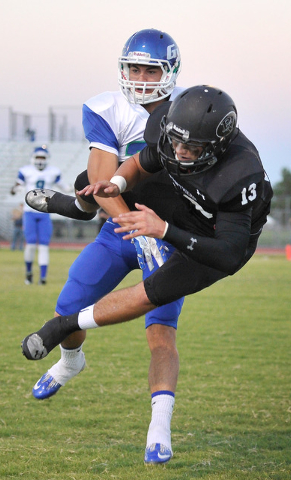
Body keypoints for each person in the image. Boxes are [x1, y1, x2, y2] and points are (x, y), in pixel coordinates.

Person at [21, 85, 274, 463]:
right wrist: (118, 185)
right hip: (151, 215)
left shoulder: (240, 175)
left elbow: (228, 253)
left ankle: (159, 429)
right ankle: (71, 356)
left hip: (202, 242)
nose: (180, 151)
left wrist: (165, 232)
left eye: (192, 148)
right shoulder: (170, 133)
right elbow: (141, 162)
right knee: (74, 287)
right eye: (175, 142)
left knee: (152, 309)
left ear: (218, 146)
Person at [26, 29, 184, 465]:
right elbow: (100, 184)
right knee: (68, 307)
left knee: (161, 334)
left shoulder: (189, 110)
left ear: (169, 70)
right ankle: (71, 361)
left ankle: (159, 427)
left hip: (167, 236)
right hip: (121, 231)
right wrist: (130, 225)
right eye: (134, 67)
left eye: (151, 68)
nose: (141, 77)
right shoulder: (106, 109)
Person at [10, 145, 66, 285]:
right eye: (38, 157)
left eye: (43, 158)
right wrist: (15, 189)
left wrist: (74, 188)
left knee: (44, 246)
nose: (40, 161)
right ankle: (29, 273)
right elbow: (16, 185)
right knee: (30, 245)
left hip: (45, 212)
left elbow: (64, 187)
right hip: (29, 212)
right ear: (33, 158)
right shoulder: (26, 171)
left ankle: (43, 278)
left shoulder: (53, 172)